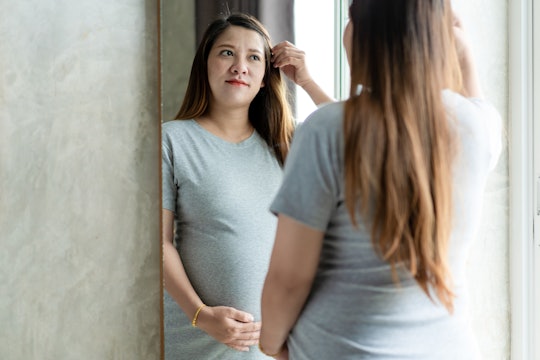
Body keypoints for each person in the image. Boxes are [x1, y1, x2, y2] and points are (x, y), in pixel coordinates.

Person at [259, 1, 502, 359]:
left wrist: (271, 343)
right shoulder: (479, 127)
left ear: (367, 33)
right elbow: (391, 135)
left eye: (349, 19)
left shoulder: (325, 132)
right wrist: (462, 54)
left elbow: (289, 279)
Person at [161, 12, 333, 360]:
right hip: (197, 346)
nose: (240, 66)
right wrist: (201, 315)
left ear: (266, 78)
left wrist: (308, 81)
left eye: (254, 57)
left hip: (279, 351)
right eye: (226, 53)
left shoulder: (290, 142)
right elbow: (157, 243)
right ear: (205, 66)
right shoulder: (173, 141)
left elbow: (358, 141)